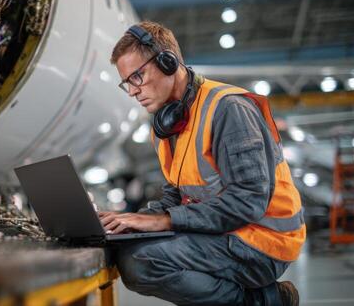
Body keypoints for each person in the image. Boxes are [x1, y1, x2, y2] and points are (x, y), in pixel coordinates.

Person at [99, 21, 306, 306]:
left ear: (168, 62)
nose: (133, 91)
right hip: (225, 233)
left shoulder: (228, 110)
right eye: (127, 83)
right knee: (128, 248)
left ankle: (265, 301)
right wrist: (129, 222)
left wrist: (166, 220)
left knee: (141, 261)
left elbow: (248, 201)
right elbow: (176, 194)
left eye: (138, 76)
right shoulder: (165, 127)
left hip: (265, 240)